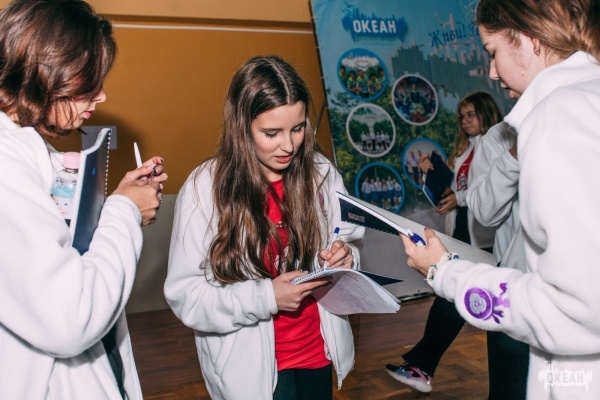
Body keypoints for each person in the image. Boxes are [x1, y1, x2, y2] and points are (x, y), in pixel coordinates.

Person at [401, 0, 600, 398]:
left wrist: (446, 272)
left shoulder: (557, 117)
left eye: (493, 52)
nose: (492, 71)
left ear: (529, 38)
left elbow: (577, 309)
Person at [164, 55, 365, 400]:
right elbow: (187, 297)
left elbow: (348, 241)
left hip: (318, 352)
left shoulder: (321, 172)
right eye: (271, 133)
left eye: (298, 128)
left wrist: (345, 259)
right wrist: (266, 297)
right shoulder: (205, 188)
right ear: (242, 127)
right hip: (250, 373)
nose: (289, 146)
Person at [0, 0, 167, 398]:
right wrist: (124, 210)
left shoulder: (27, 152)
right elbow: (70, 317)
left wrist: (119, 202)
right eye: (89, 82)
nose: (102, 95)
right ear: (48, 72)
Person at [386, 91, 501, 393]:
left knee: (451, 301)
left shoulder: (496, 145)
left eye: (471, 115)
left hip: (485, 236)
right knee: (449, 299)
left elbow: (491, 191)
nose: (465, 121)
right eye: (462, 117)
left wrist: (458, 198)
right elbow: (449, 193)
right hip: (464, 230)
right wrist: (431, 175)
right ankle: (420, 367)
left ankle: (421, 367)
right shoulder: (463, 152)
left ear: (486, 113)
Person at [467, 121, 529, 399]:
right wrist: (515, 154)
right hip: (514, 285)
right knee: (510, 387)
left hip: (578, 286)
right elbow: (484, 212)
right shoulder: (500, 136)